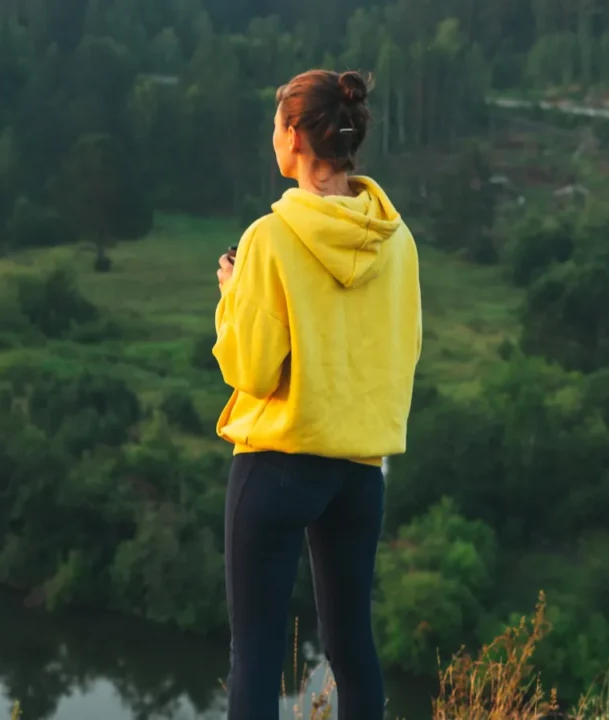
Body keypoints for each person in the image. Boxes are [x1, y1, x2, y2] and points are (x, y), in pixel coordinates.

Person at [212, 69, 422, 720]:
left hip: (277, 464)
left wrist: (231, 298)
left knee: (257, 654)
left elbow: (249, 369)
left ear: (298, 135)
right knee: (351, 644)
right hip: (359, 472)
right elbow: (403, 351)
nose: (272, 137)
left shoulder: (269, 240)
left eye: (277, 125)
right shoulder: (398, 242)